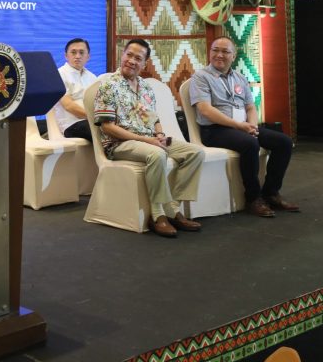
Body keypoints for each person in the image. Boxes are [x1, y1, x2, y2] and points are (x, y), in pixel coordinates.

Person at [93, 39, 204, 237]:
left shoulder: (144, 87)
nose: (132, 61)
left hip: (149, 140)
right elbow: (108, 127)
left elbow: (153, 119)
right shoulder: (108, 86)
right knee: (156, 153)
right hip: (120, 144)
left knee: (195, 153)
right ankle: (157, 215)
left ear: (144, 64)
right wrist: (148, 141)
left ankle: (173, 208)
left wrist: (159, 134)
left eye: (138, 58)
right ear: (122, 54)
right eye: (129, 55)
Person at [189, 36, 298, 218]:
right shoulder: (201, 77)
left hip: (242, 127)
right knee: (250, 144)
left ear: (234, 56)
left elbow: (250, 107)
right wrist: (238, 126)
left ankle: (271, 193)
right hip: (215, 130)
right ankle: (253, 198)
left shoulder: (239, 77)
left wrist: (253, 126)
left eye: (225, 51)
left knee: (284, 142)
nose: (219, 55)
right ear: (210, 52)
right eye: (215, 50)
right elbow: (205, 110)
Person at [52, 38, 99, 141]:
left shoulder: (92, 77)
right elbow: (69, 106)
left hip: (91, 120)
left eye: (81, 52)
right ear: (66, 56)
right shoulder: (60, 74)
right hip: (72, 124)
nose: (77, 56)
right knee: (101, 130)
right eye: (73, 52)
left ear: (88, 56)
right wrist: (95, 118)